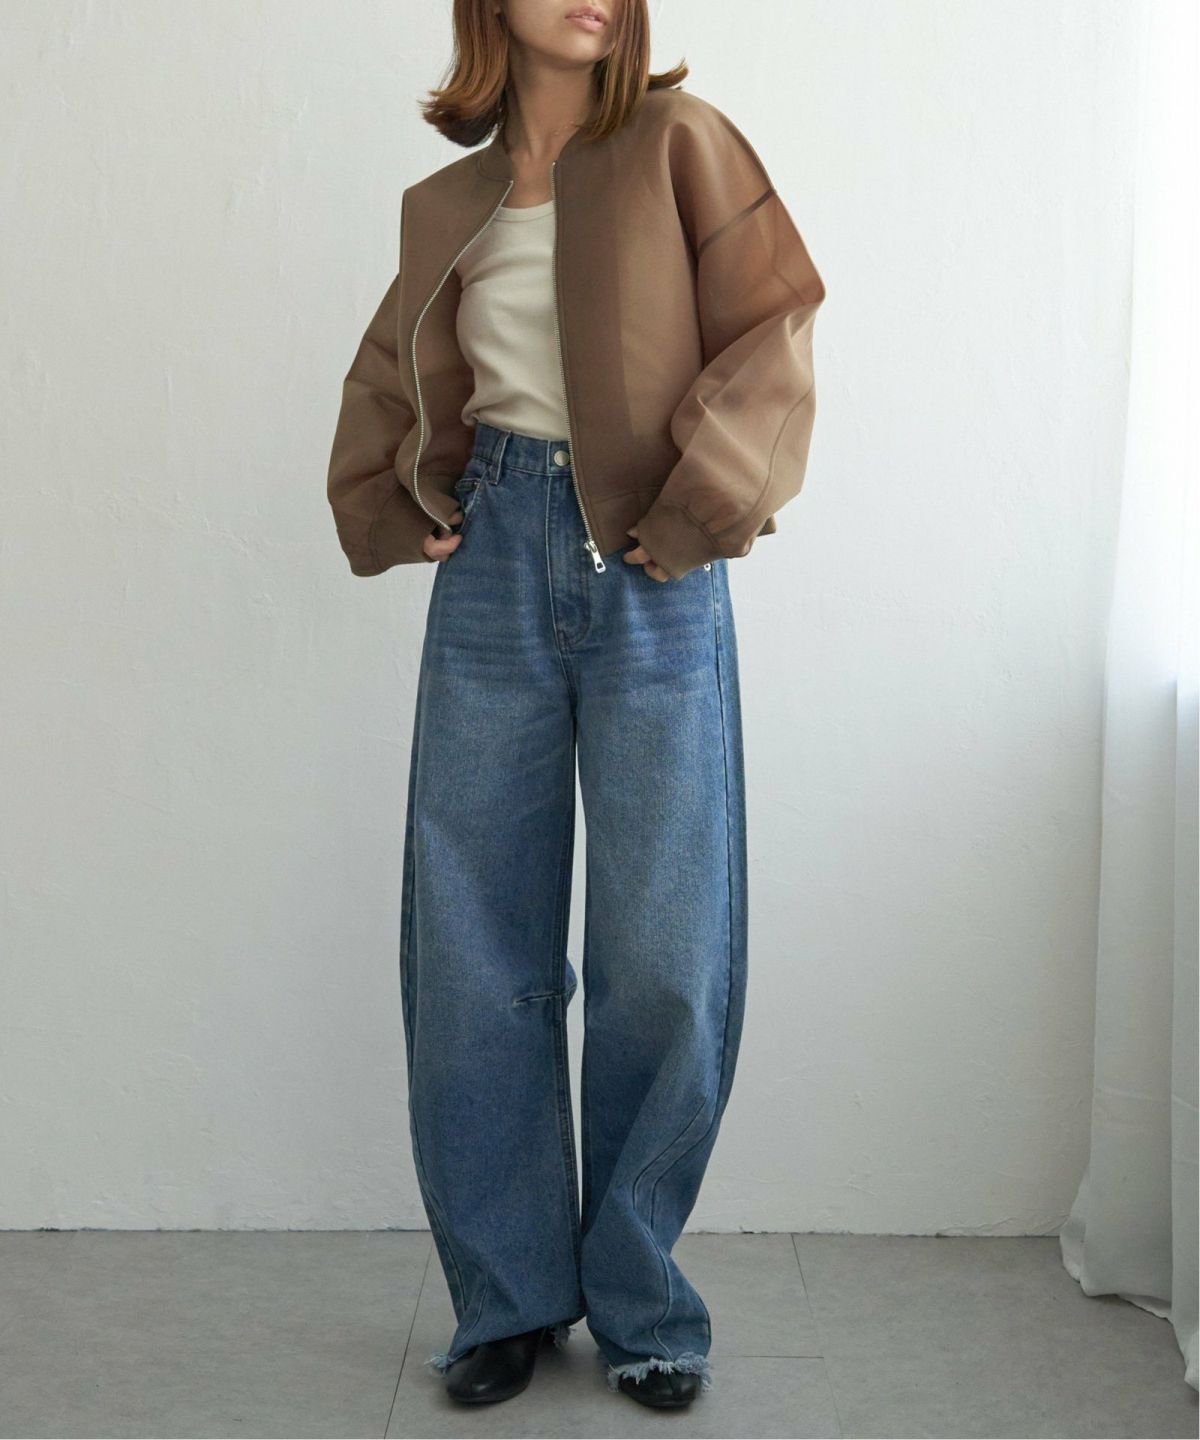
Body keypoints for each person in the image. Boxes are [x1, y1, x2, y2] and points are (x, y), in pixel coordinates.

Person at [325, 0, 825, 1411]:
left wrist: (699, 509)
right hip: (493, 558)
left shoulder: (680, 141)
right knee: (473, 946)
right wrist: (399, 500)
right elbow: (389, 369)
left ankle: (643, 1298)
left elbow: (775, 321)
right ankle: (508, 1298)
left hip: (652, 566)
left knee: (664, 947)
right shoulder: (448, 203)